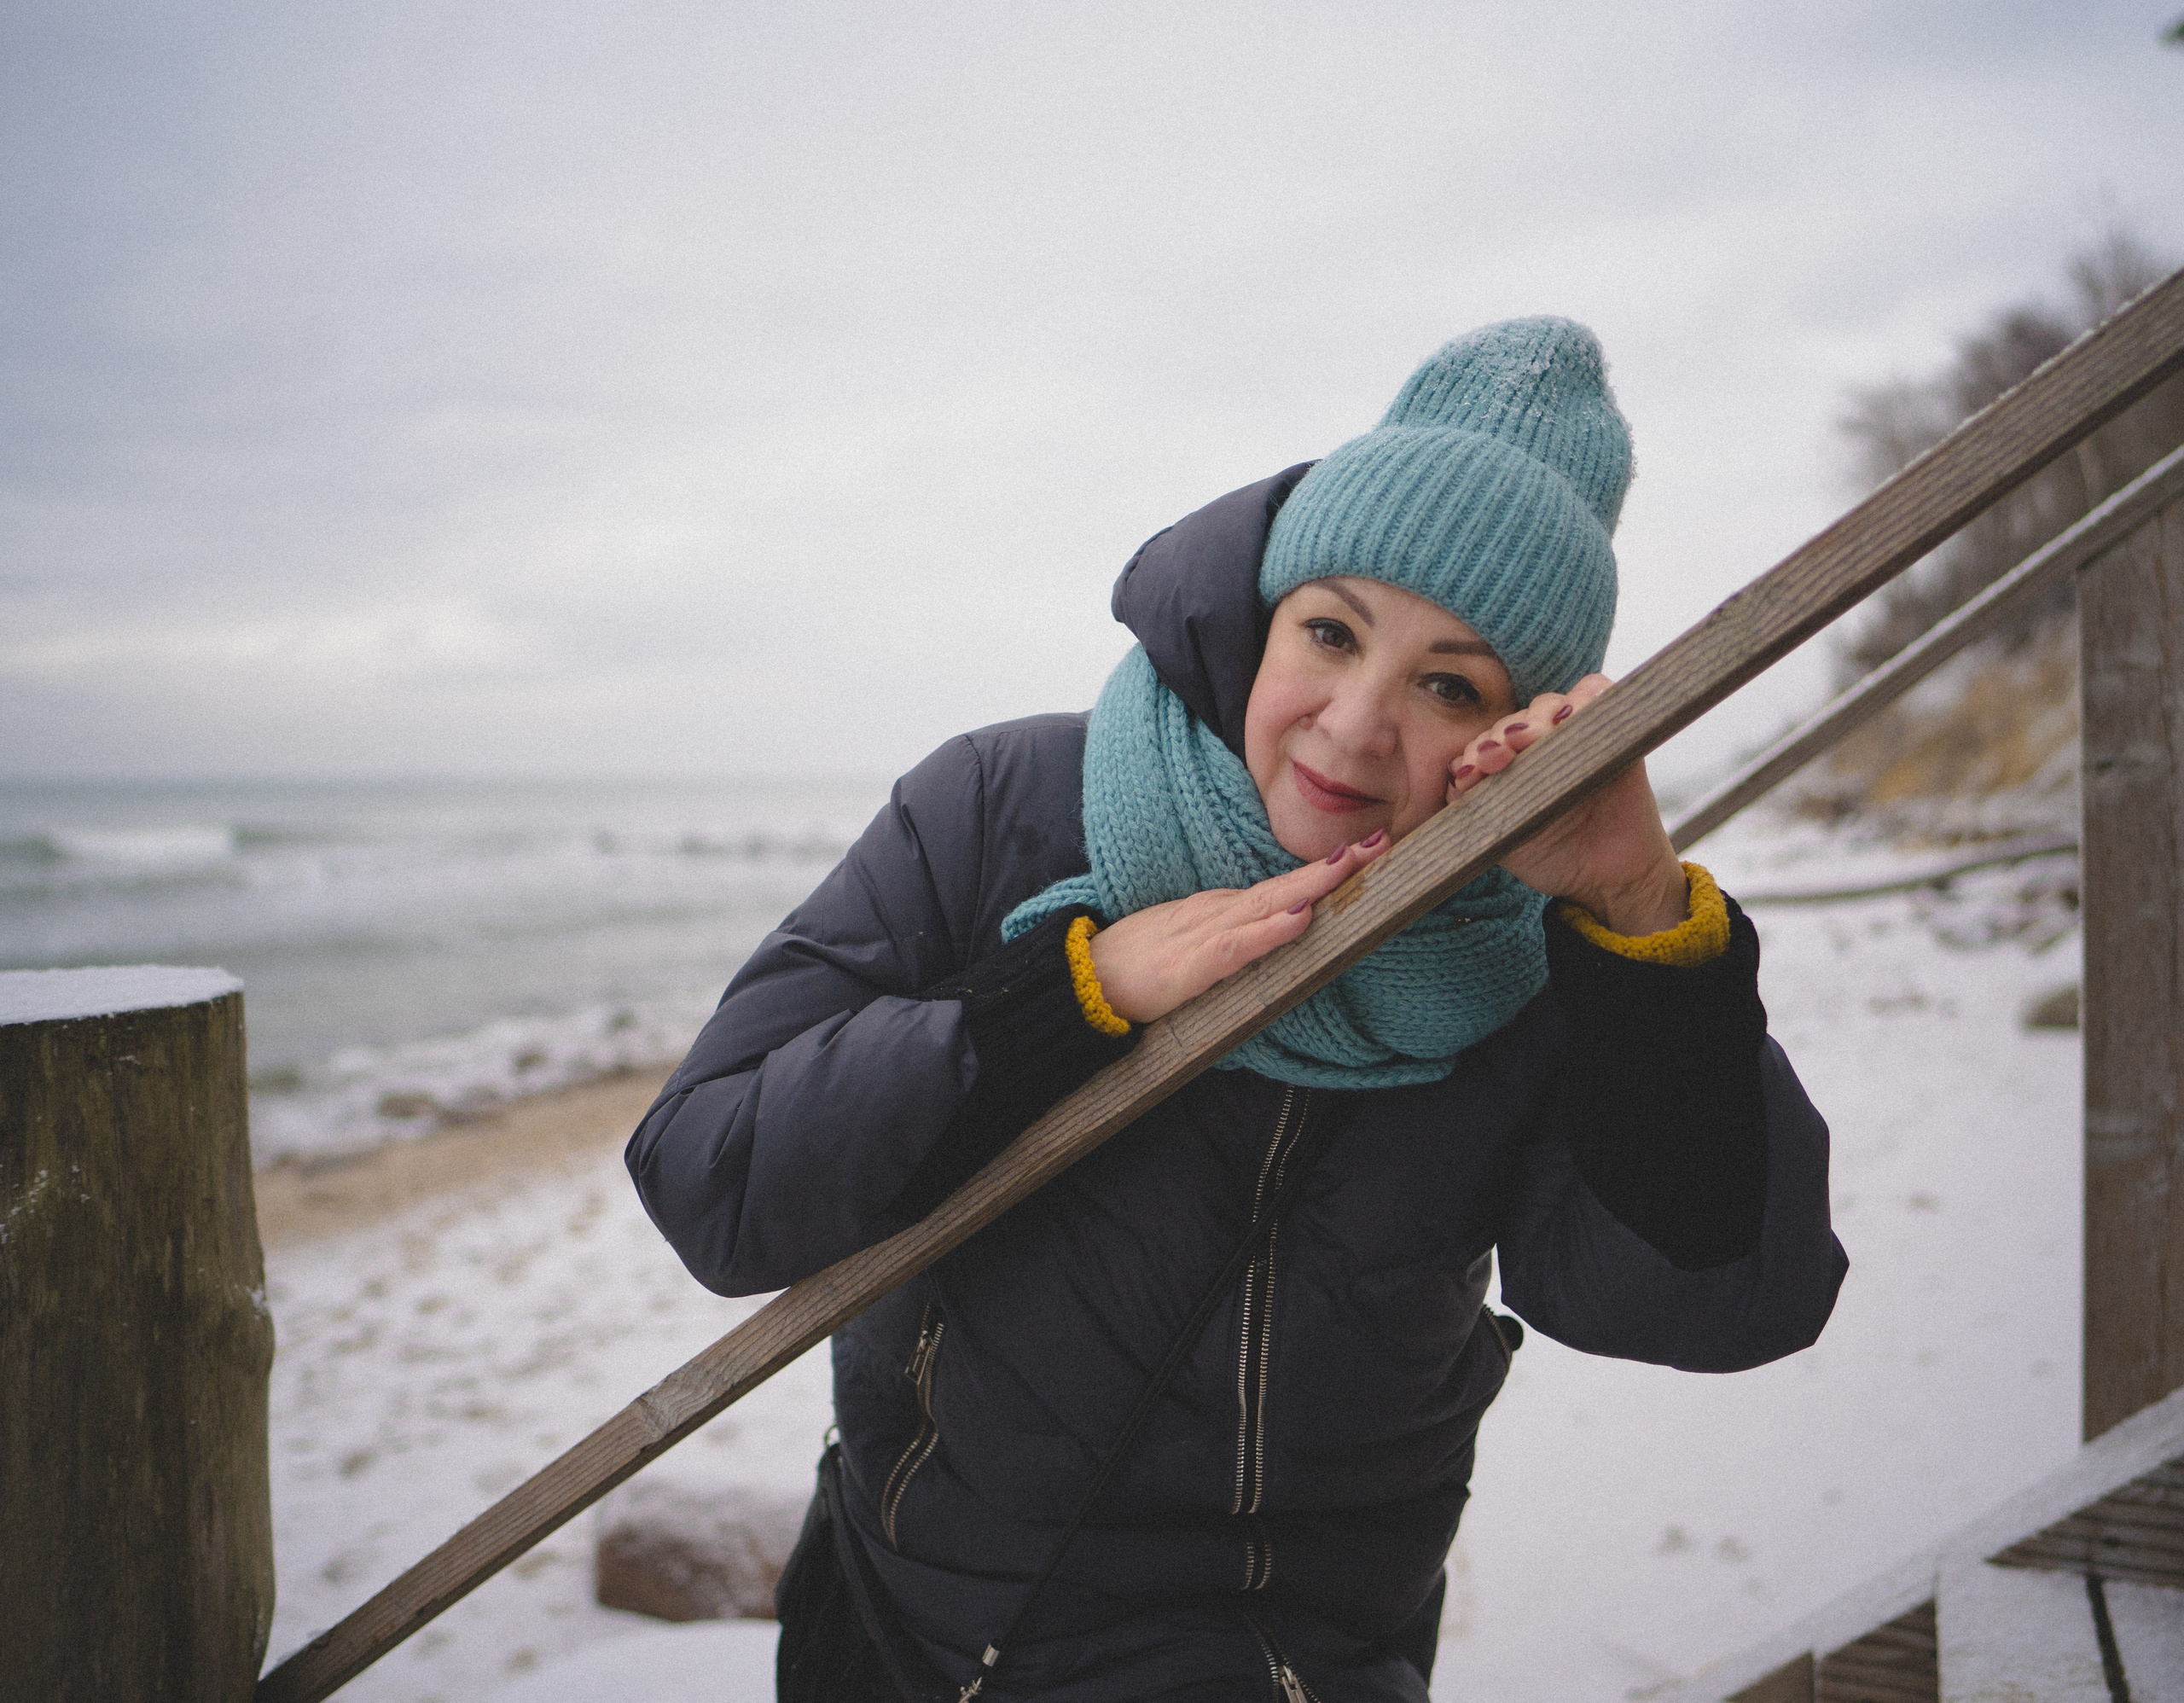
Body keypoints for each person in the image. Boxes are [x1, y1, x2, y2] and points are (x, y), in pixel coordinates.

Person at [626, 317, 1847, 1702]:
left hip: (1281, 1666)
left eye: (1450, 684)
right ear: (1261, 614)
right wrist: (1075, 994)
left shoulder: (1537, 952)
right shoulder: (1001, 810)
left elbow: (1724, 1304)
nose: (1352, 724)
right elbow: (711, 1177)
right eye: (1331, 632)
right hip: (891, 1627)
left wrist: (1635, 913)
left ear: (1526, 730)